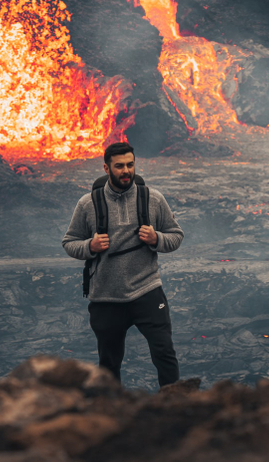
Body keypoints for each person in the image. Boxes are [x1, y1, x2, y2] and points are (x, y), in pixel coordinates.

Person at [62, 141, 184, 387]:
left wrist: (156, 239)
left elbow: (176, 236)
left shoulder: (154, 199)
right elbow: (69, 242)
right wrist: (90, 247)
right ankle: (110, 414)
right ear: (106, 169)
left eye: (130, 165)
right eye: (119, 166)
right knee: (108, 364)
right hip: (106, 297)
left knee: (165, 355)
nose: (126, 170)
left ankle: (176, 408)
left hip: (147, 291)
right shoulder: (88, 204)